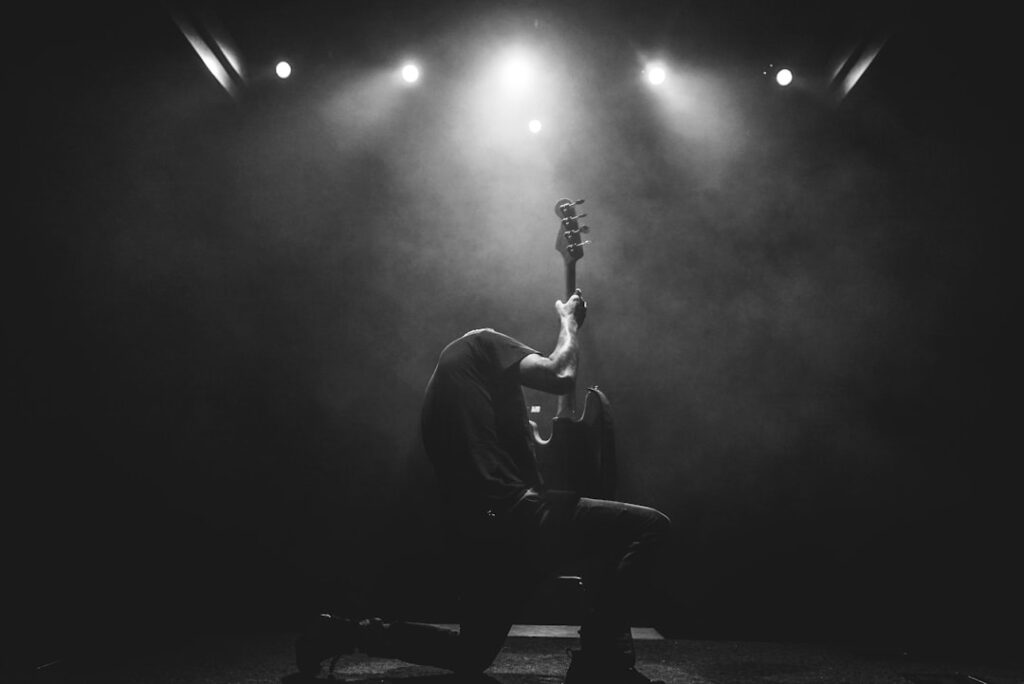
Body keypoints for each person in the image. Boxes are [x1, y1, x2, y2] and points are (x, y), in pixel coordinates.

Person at [296, 289, 670, 683]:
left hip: (482, 535)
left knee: (470, 654)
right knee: (651, 527)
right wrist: (569, 322)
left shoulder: (446, 386)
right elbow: (560, 373)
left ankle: (342, 632)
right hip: (519, 517)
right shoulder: (483, 342)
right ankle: (599, 653)